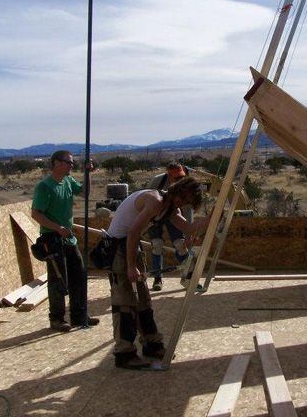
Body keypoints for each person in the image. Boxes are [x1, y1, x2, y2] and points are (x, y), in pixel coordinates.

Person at [106, 176, 207, 369]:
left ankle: (152, 345)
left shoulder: (169, 208)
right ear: (176, 190)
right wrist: (129, 266)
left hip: (130, 246)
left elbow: (188, 227)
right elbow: (134, 232)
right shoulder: (155, 201)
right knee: (125, 302)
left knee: (143, 300)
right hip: (117, 247)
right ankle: (124, 354)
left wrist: (214, 218)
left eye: (187, 202)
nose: (182, 203)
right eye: (182, 198)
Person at [31, 150, 99, 332]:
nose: (71, 165)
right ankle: (57, 319)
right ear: (56, 163)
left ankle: (79, 315)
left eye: (72, 163)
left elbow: (84, 193)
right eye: (68, 162)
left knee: (79, 275)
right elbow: (36, 213)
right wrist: (56, 228)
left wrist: (87, 174)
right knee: (58, 280)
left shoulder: (68, 181)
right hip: (52, 238)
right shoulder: (45, 187)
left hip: (68, 238)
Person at [145, 162, 194, 291]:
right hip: (156, 213)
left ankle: (189, 277)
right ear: (169, 175)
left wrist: (189, 234)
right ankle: (157, 279)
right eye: (177, 178)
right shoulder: (157, 182)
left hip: (175, 214)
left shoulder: (186, 186)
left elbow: (188, 210)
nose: (180, 180)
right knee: (157, 244)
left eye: (181, 177)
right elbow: (146, 201)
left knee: (180, 244)